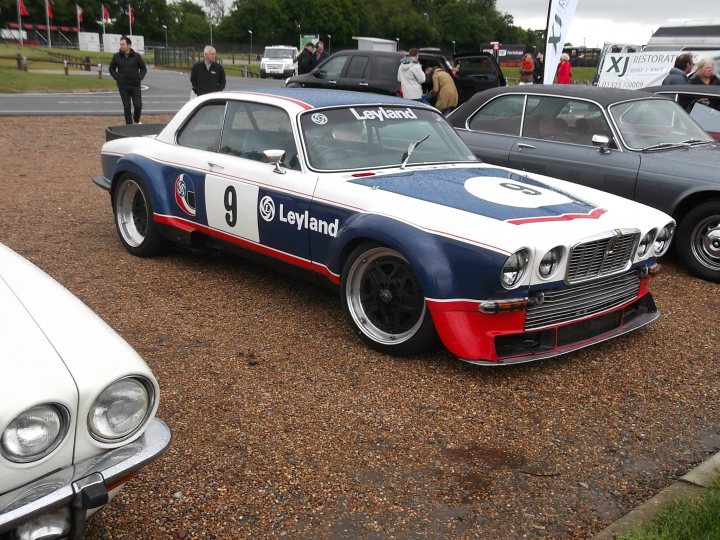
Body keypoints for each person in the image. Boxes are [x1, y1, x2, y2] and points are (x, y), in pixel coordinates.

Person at [109, 36, 147, 125]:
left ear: (129, 45)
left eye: (123, 44)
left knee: (138, 106)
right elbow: (111, 69)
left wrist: (139, 78)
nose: (121, 46)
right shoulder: (116, 56)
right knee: (127, 107)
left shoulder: (136, 56)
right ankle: (129, 126)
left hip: (135, 85)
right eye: (120, 44)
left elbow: (143, 69)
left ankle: (136, 120)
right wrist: (117, 77)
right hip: (123, 86)